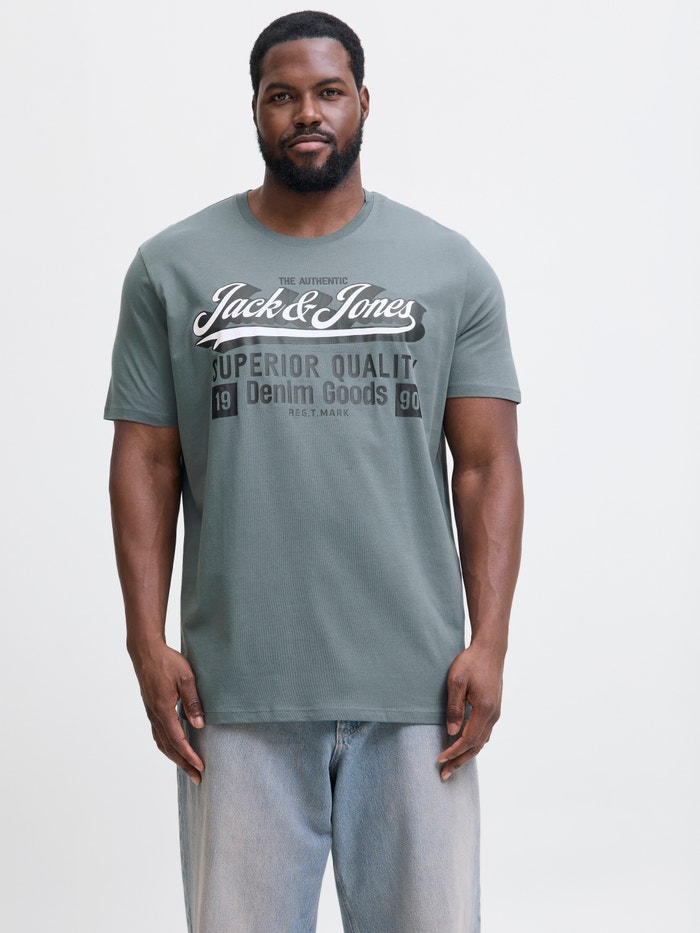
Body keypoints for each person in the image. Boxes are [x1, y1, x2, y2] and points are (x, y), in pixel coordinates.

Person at [106, 10, 523, 932]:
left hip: (419, 693)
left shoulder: (450, 268)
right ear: (254, 109)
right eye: (282, 95)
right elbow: (147, 458)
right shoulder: (171, 268)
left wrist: (489, 641)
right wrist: (145, 641)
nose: (307, 112)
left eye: (328, 92)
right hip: (235, 693)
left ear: (363, 102)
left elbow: (487, 464)